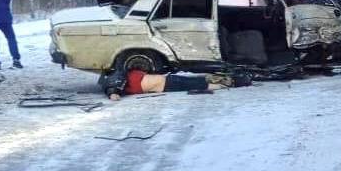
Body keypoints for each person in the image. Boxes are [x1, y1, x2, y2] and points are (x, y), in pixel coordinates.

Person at [103, 69, 252, 100]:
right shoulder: (112, 81)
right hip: (167, 84)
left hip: (167, 81)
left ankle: (234, 81)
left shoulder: (120, 74)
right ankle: (236, 82)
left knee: (201, 81)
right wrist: (113, 92)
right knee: (201, 82)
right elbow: (114, 94)